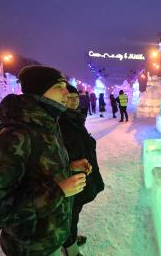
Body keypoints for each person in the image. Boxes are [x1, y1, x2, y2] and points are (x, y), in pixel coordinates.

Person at [0, 65, 88, 256]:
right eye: (58, 87)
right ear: (39, 92)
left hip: (52, 238)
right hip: (30, 247)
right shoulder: (15, 136)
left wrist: (68, 167)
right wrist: (58, 191)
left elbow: (36, 172)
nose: (66, 92)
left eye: (65, 85)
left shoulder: (48, 124)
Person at [59, 85, 104, 256]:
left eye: (76, 96)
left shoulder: (74, 118)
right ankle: (70, 247)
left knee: (74, 212)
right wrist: (72, 164)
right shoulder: (60, 121)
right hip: (69, 178)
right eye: (69, 97)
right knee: (70, 214)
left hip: (80, 174)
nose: (74, 100)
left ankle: (69, 237)